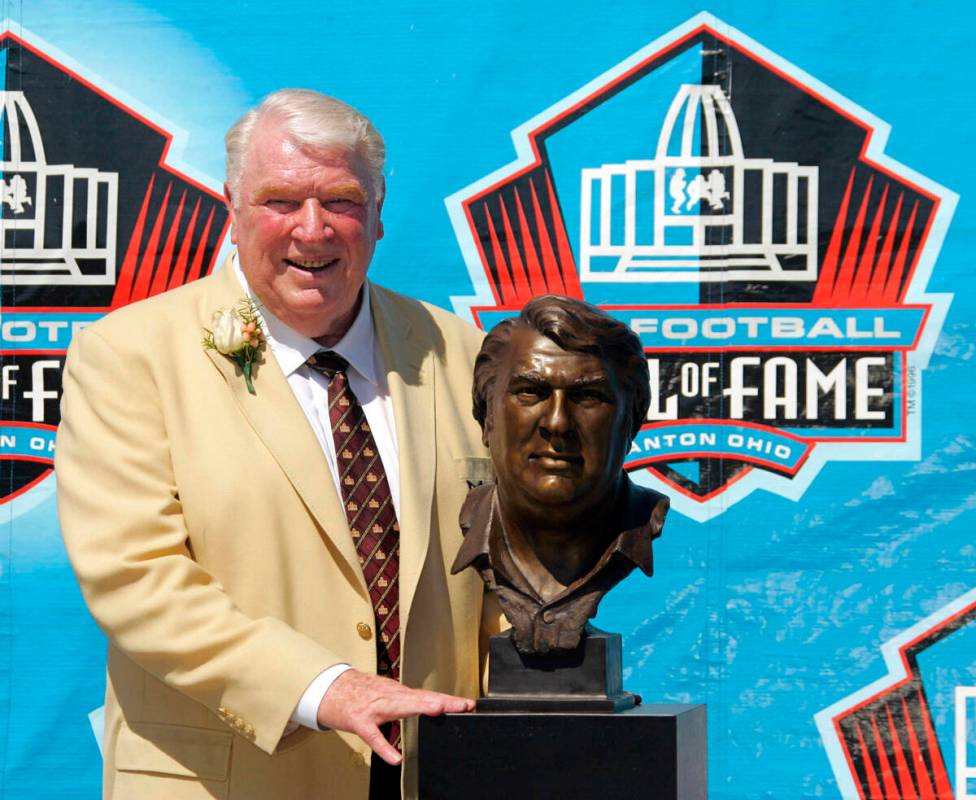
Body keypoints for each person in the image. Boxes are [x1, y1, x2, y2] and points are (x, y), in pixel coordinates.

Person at [55, 89, 497, 800]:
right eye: (281, 201)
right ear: (232, 207)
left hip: (432, 775)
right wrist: (327, 689)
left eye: (342, 201)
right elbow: (136, 579)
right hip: (226, 781)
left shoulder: (462, 354)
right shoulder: (129, 357)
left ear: (380, 212)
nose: (313, 230)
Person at [453, 295, 668, 654]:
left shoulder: (643, 519)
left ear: (630, 422)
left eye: (587, 396)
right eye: (530, 392)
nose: (557, 423)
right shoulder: (458, 522)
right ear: (487, 417)